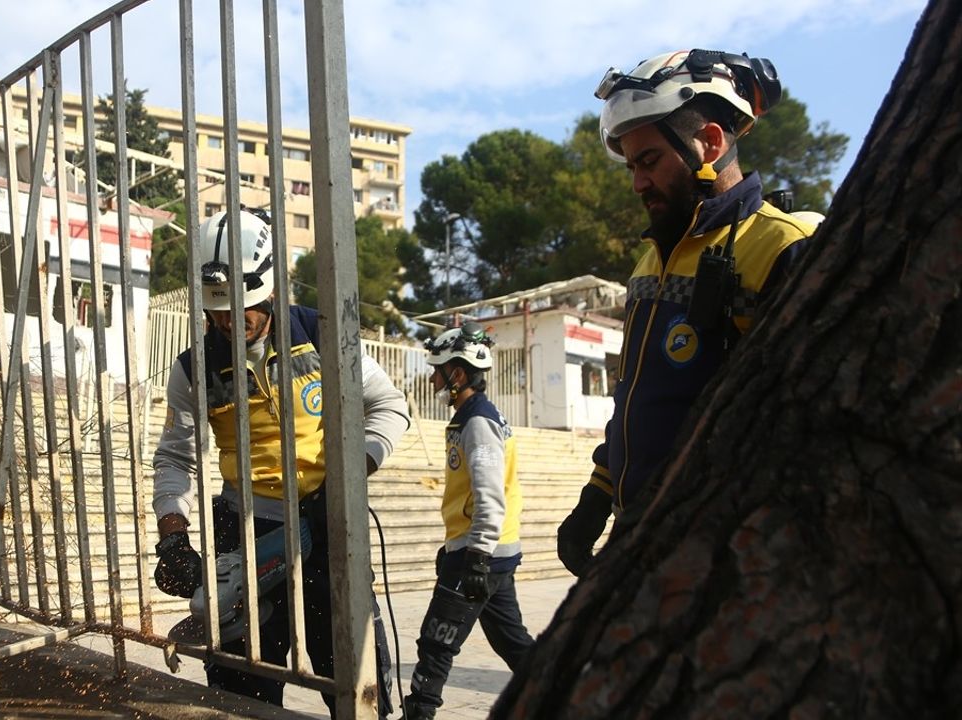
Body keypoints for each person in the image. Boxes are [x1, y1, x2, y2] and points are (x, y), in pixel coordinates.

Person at [557, 49, 816, 576]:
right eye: (631, 167)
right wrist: (598, 493)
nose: (637, 183)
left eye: (649, 161)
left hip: (724, 550)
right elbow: (637, 393)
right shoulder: (649, 259)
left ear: (712, 143)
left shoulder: (784, 247)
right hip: (641, 536)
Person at [151, 208, 410, 717]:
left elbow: (389, 406)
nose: (226, 321)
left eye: (239, 308)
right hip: (243, 530)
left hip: (326, 525)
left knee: (355, 683)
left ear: (268, 287)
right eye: (214, 311)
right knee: (237, 689)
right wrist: (173, 533)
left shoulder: (322, 332)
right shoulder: (193, 369)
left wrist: (349, 477)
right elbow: (175, 457)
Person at [400, 322, 533, 720]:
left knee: (436, 643)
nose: (432, 377)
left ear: (457, 374)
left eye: (438, 370)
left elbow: (490, 494)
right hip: (490, 552)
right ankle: (565, 696)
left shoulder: (478, 422)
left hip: (481, 556)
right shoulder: (470, 417)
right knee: (512, 642)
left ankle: (418, 715)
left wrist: (475, 556)